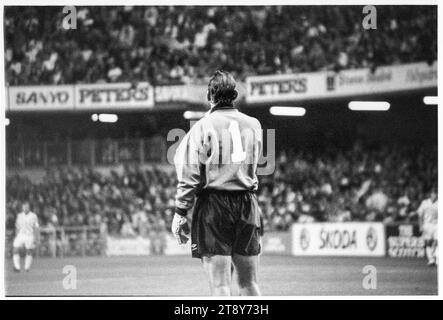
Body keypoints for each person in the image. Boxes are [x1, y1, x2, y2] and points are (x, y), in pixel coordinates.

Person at [171, 70, 263, 296]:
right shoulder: (254, 124)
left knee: (221, 285)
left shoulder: (202, 126)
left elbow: (188, 173)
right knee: (249, 283)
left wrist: (180, 211)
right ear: (235, 95)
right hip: (247, 203)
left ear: (209, 96)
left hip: (214, 205)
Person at [12, 202, 39, 272]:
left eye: (27, 207)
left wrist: (36, 237)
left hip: (29, 235)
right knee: (15, 249)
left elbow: (36, 227)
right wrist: (16, 236)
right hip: (20, 235)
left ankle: (27, 267)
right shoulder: (19, 215)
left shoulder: (33, 216)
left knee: (29, 251)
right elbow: (17, 227)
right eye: (24, 207)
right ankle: (17, 267)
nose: (25, 208)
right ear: (22, 208)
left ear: (29, 208)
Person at [417, 189, 438, 266]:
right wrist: (420, 226)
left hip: (437, 225)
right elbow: (420, 214)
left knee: (437, 241)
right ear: (430, 194)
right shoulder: (425, 203)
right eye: (433, 193)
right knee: (428, 242)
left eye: (436, 193)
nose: (434, 195)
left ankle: (435, 257)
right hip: (427, 224)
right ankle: (431, 259)